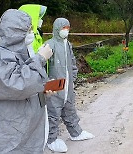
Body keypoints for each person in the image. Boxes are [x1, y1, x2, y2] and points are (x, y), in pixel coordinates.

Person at [0, 9, 53, 154]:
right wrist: (40, 59)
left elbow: (30, 86)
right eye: (28, 29)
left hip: (30, 131)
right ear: (15, 32)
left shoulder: (22, 54)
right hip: (9, 136)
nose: (31, 32)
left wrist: (44, 90)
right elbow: (20, 86)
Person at [45, 18, 95, 153]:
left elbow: (72, 62)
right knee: (53, 111)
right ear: (57, 28)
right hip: (54, 83)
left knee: (69, 108)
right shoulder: (50, 45)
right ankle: (51, 139)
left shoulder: (68, 44)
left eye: (67, 28)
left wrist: (72, 77)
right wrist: (48, 82)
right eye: (63, 28)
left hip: (67, 83)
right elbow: (42, 65)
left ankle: (76, 133)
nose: (66, 30)